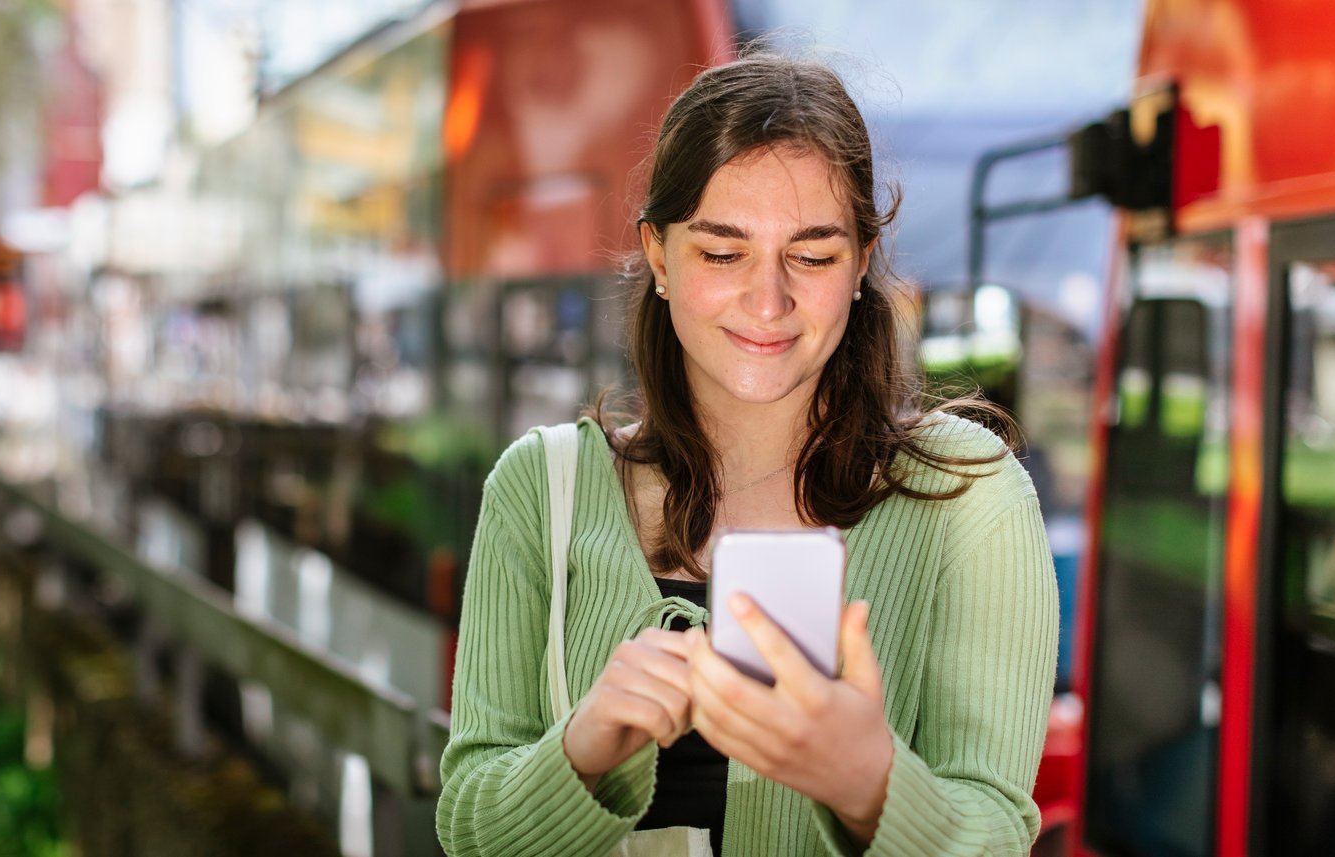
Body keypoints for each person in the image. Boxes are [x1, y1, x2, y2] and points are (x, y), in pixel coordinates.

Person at [437, 49, 1057, 857]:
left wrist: (868, 779)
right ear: (658, 256)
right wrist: (581, 748)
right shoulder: (538, 489)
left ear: (864, 262)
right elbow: (466, 828)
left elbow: (999, 836)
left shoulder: (972, 502)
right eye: (723, 252)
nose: (769, 302)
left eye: (813, 254)